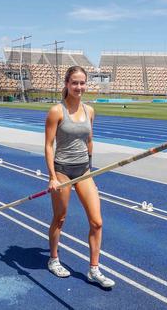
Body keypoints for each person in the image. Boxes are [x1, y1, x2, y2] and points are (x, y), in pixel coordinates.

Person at [44, 66, 115, 288]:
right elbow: (48, 145)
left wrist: (91, 167)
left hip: (83, 170)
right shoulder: (57, 111)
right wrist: (52, 177)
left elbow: (89, 139)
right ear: (66, 84)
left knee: (97, 222)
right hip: (63, 170)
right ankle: (53, 259)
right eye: (75, 82)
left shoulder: (90, 111)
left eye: (82, 82)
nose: (79, 87)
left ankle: (94, 269)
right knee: (60, 218)